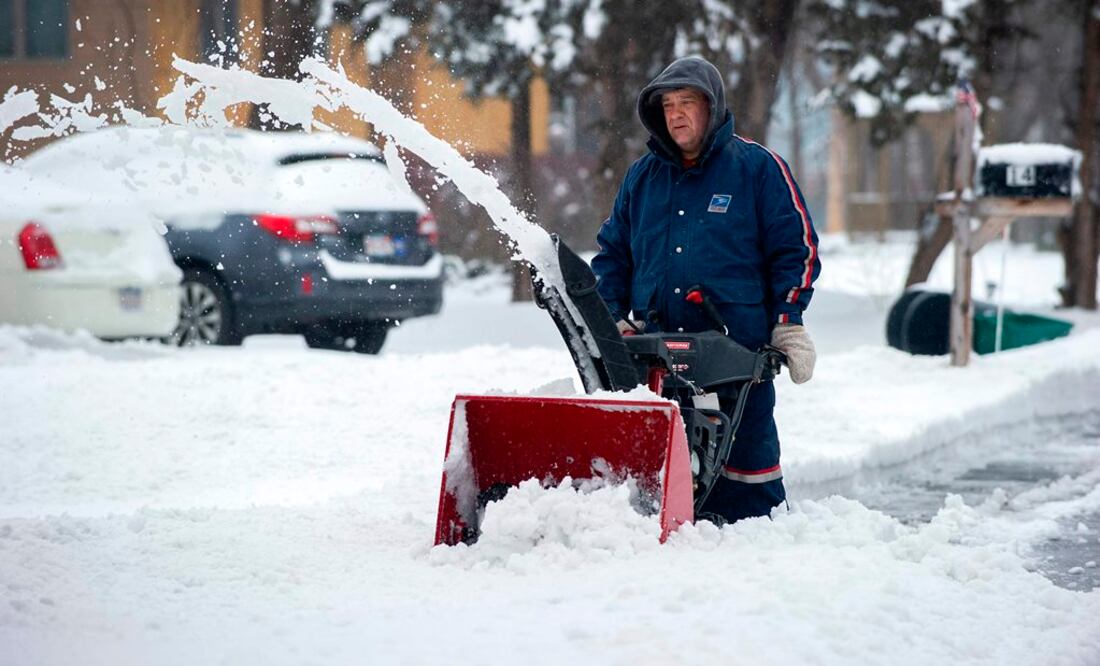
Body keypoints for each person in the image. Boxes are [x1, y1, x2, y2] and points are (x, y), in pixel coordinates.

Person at [592, 55, 821, 524]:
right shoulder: (642, 178)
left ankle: (758, 545)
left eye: (687, 103)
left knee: (748, 474)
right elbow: (613, 255)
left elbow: (796, 249)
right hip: (656, 356)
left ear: (711, 107)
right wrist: (611, 317)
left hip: (738, 354)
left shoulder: (757, 169)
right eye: (668, 105)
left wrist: (788, 322)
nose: (675, 114)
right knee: (663, 472)